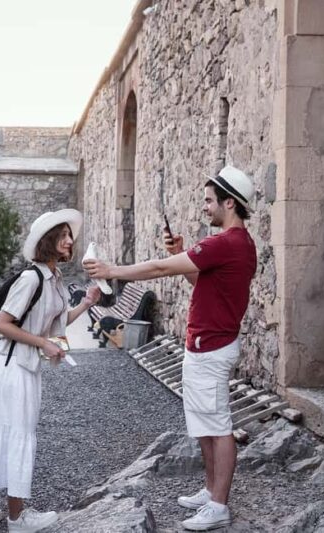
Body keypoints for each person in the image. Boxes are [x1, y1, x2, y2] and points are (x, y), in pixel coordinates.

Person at [83, 165, 257, 531]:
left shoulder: (223, 243)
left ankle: (219, 505)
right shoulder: (238, 245)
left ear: (230, 202)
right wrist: (184, 254)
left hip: (211, 347)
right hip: (206, 344)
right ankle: (211, 493)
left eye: (210, 201)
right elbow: (200, 280)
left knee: (218, 426)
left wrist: (112, 269)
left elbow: (159, 267)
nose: (205, 207)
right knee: (206, 425)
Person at [0, 209, 101, 533]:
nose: (71, 240)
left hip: (23, 367)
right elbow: (2, 324)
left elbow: (57, 323)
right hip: (12, 369)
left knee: (1, 431)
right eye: (64, 235)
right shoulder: (31, 278)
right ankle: (17, 519)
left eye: (70, 235)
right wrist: (43, 342)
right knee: (16, 435)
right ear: (49, 242)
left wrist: (87, 304)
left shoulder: (54, 280)